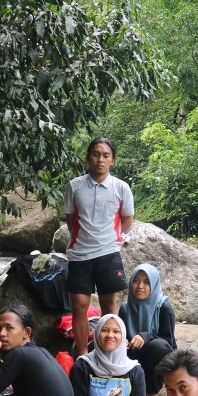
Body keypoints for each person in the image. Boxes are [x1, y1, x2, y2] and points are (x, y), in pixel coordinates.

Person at [63, 137, 134, 356]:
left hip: (108, 254)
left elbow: (127, 220)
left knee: (109, 307)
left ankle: (108, 353)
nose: (100, 160)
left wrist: (109, 238)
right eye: (96, 154)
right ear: (88, 157)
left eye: (105, 155)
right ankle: (84, 356)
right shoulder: (75, 186)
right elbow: (70, 219)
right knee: (79, 308)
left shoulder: (121, 188)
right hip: (80, 255)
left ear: (113, 160)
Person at [69, 314, 146, 396]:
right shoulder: (83, 365)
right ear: (97, 333)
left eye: (116, 331)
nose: (110, 335)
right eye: (104, 330)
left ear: (123, 336)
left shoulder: (134, 369)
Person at [118, 263, 176, 396]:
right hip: (133, 355)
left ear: (154, 285)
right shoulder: (125, 308)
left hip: (155, 359)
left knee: (158, 347)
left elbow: (168, 341)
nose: (140, 286)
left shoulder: (163, 307)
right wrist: (122, 340)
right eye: (136, 281)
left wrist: (145, 337)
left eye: (146, 282)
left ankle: (153, 390)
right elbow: (121, 333)